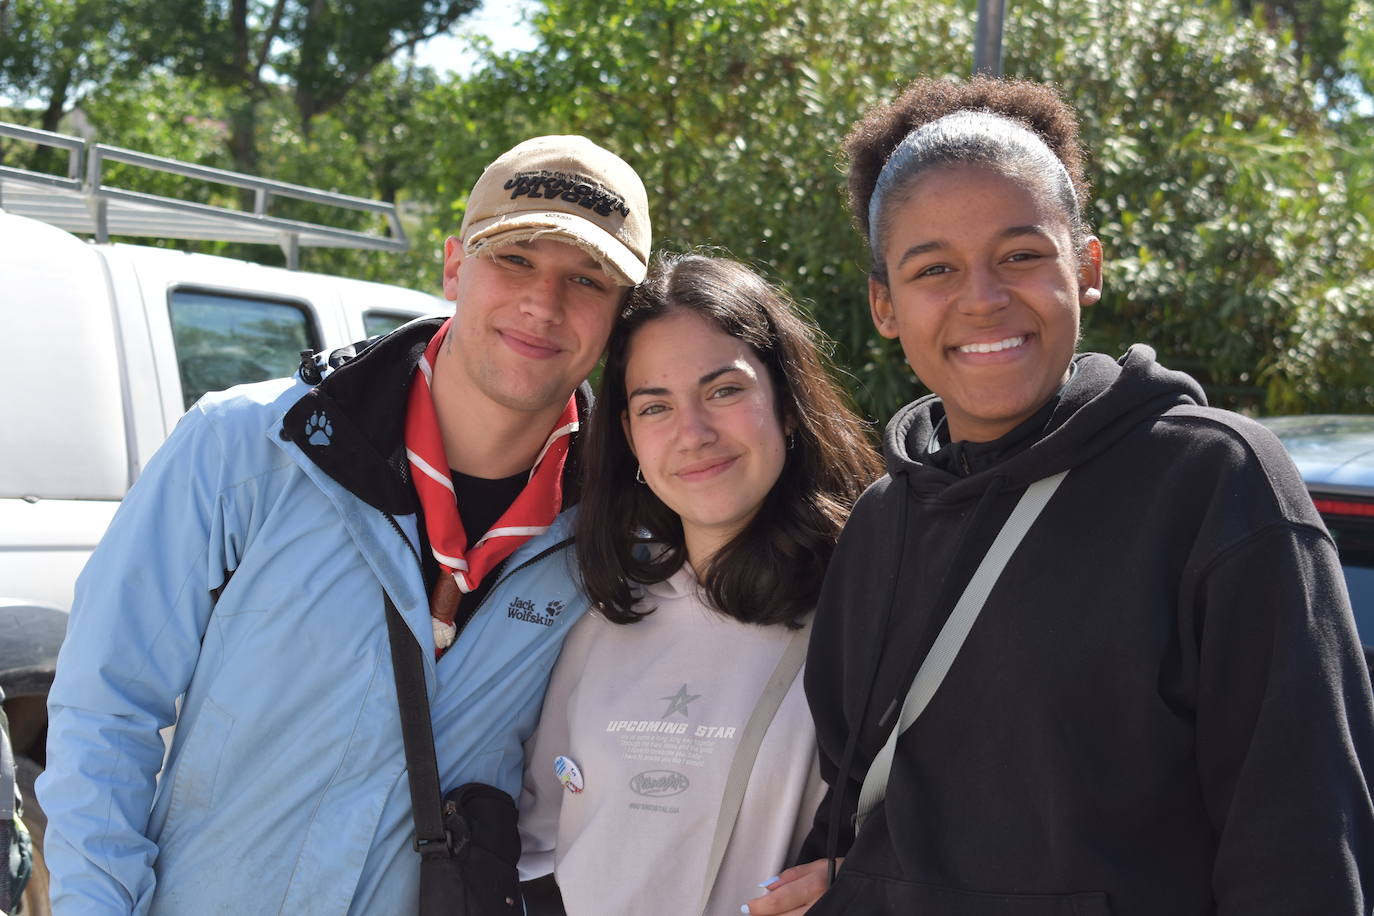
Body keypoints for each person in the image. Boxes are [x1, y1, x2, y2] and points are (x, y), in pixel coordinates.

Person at [756, 78, 1374, 914]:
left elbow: (1302, 844)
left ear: (1085, 267)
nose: (983, 298)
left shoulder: (1212, 484)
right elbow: (866, 803)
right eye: (934, 269)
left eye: (1021, 255)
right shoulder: (880, 523)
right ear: (885, 305)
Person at [38, 135, 651, 914]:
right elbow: (105, 709)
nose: (544, 303)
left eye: (588, 279)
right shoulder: (244, 447)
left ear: (620, 316)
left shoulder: (617, 541)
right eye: (515, 258)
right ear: (454, 265)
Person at [516, 253, 882, 915]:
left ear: (787, 403)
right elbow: (540, 837)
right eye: (655, 406)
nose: (693, 434)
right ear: (629, 434)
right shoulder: (595, 607)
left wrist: (872, 884)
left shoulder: (871, 606)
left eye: (724, 391)